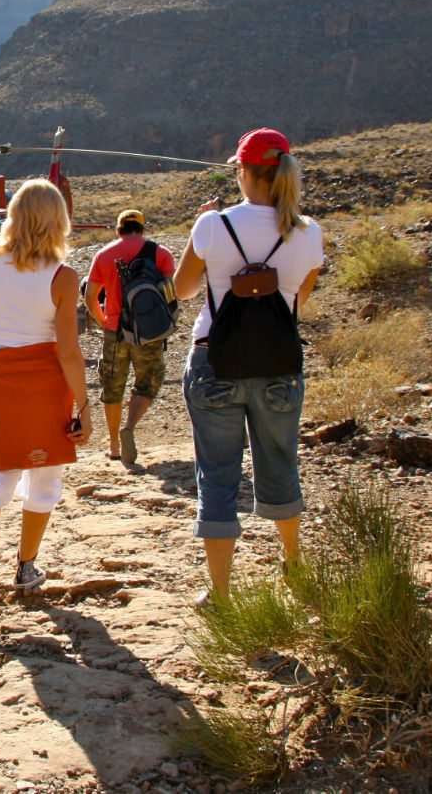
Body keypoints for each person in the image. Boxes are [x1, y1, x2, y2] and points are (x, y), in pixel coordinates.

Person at [172, 128, 323, 608]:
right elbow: (301, 298)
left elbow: (184, 291)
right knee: (281, 462)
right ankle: (294, 564)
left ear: (243, 171)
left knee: (217, 475)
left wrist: (200, 236)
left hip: (215, 363)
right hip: (279, 364)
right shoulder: (309, 231)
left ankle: (220, 593)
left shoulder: (212, 226)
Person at [0, 178, 91, 614]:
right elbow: (69, 351)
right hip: (45, 391)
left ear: (13, 216)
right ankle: (25, 567)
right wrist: (85, 406)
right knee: (43, 479)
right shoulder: (63, 277)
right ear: (58, 222)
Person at [83, 209, 177, 465]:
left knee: (112, 386)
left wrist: (103, 323)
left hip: (115, 330)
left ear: (119, 229)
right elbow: (170, 295)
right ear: (142, 229)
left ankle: (114, 444)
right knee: (148, 382)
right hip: (148, 332)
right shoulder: (162, 254)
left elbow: (90, 297)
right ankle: (130, 426)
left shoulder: (104, 255)